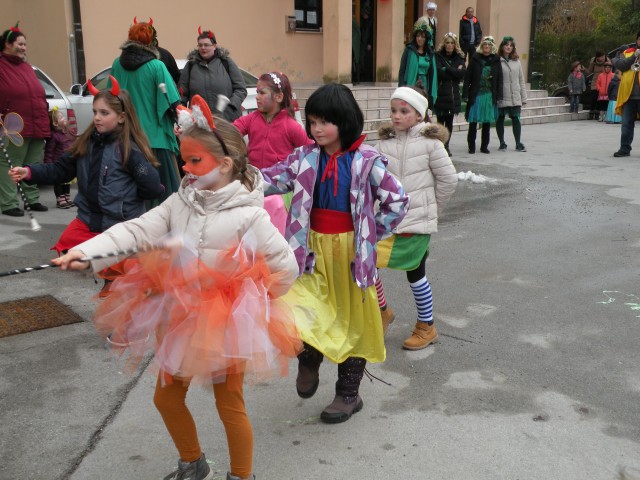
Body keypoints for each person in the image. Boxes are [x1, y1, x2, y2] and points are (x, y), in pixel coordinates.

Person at [51, 96, 300, 480]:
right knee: (166, 398)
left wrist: (249, 297)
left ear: (225, 164)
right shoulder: (178, 202)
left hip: (225, 325)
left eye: (194, 161)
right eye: (184, 159)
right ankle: (193, 463)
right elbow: (134, 230)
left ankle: (241, 475)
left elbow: (286, 269)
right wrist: (86, 252)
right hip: (180, 316)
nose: (184, 167)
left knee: (229, 405)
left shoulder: (251, 216)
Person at [261, 83, 409, 424]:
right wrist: (234, 175)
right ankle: (308, 360)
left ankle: (348, 393)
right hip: (308, 250)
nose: (316, 129)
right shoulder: (304, 158)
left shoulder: (366, 162)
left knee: (351, 322)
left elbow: (398, 201)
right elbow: (270, 178)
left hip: (350, 256)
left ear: (344, 121)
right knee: (300, 309)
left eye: (324, 122)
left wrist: (370, 235)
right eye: (312, 122)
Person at [8, 78, 164, 258]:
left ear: (121, 117)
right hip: (87, 221)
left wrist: (128, 205)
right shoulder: (85, 144)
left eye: (104, 113)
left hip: (120, 226)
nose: (97, 117)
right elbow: (60, 170)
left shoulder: (129, 150)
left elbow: (152, 187)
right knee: (72, 258)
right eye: (95, 111)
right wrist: (29, 172)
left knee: (117, 274)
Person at [375, 86, 457, 348]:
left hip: (416, 224)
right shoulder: (383, 143)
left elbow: (448, 179)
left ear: (419, 114)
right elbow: (374, 180)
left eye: (404, 111)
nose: (396, 116)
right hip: (387, 222)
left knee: (416, 275)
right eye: (393, 110)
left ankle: (426, 326)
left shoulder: (431, 144)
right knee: (365, 264)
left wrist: (431, 209)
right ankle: (382, 311)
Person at [111, 20, 181, 203]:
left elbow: (112, 98)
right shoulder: (156, 66)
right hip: (155, 139)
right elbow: (172, 101)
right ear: (150, 42)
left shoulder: (117, 65)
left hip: (126, 137)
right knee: (166, 194)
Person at [233, 72, 312, 234]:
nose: (257, 97)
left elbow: (310, 151)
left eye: (262, 93)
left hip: (279, 194)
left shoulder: (291, 126)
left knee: (276, 235)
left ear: (279, 97)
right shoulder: (252, 118)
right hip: (253, 186)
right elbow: (231, 131)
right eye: (257, 93)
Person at [0, 22, 50, 217]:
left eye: (25, 45)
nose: (23, 48)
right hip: (13, 125)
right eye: (20, 44)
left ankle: (32, 199)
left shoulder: (26, 67)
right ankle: (9, 202)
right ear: (7, 44)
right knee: (10, 164)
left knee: (33, 165)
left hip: (36, 123)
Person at [179, 28, 247, 122]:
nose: (203, 48)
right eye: (200, 45)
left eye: (206, 45)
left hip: (226, 121)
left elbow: (241, 89)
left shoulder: (226, 63)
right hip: (200, 123)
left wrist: (230, 108)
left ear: (214, 46)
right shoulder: (191, 66)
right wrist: (182, 114)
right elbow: (182, 94)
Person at [463, 36, 502, 154]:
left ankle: (484, 146)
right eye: (485, 45)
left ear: (492, 47)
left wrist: (499, 96)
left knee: (486, 123)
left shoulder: (496, 60)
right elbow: (467, 78)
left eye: (489, 45)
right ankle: (471, 146)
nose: (487, 47)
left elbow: (499, 79)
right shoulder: (475, 59)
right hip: (477, 94)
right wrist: (465, 94)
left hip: (489, 95)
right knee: (473, 122)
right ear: (481, 46)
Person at [434, 32, 466, 156]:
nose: (449, 45)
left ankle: (446, 145)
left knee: (450, 122)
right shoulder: (438, 56)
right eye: (447, 43)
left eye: (452, 43)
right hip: (441, 93)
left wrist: (446, 69)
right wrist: (453, 70)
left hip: (453, 94)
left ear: (455, 45)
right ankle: (439, 145)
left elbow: (461, 73)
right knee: (440, 122)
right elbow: (438, 72)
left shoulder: (459, 57)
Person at [496, 36, 527, 152]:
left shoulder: (517, 61)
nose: (508, 47)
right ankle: (502, 142)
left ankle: (518, 143)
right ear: (502, 47)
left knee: (516, 119)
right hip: (502, 95)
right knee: (500, 119)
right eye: (506, 45)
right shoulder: (497, 60)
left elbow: (521, 80)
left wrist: (523, 97)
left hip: (515, 96)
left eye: (511, 45)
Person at [612, 31, 640, 157]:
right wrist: (634, 56)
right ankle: (624, 148)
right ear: (637, 40)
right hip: (629, 96)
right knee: (627, 124)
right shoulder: (627, 53)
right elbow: (620, 65)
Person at [399, 20, 438, 108]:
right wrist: (401, 87)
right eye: (418, 36)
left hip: (424, 85)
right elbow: (402, 70)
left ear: (427, 39)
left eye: (423, 37)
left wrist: (431, 93)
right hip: (411, 83)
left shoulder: (430, 53)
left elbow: (433, 74)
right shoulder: (409, 50)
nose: (420, 39)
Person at [43, 107, 75, 209]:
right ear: (56, 123)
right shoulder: (54, 136)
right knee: (59, 182)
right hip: (58, 163)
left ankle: (66, 196)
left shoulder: (67, 133)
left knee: (67, 181)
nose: (64, 118)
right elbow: (49, 151)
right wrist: (48, 163)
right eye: (61, 117)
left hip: (67, 162)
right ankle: (60, 199)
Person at [586, 50, 609, 120]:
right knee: (594, 97)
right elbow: (589, 71)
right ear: (597, 57)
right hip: (595, 81)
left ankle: (598, 113)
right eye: (600, 57)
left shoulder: (607, 61)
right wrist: (585, 69)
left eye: (603, 56)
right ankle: (592, 112)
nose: (602, 58)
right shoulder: (593, 61)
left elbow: (610, 70)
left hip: (603, 81)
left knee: (601, 99)